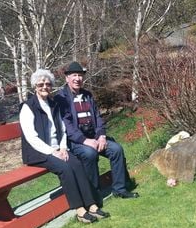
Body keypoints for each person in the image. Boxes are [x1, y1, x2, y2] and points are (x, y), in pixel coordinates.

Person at [19, 68, 110, 224]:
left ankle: (92, 205)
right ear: (35, 86)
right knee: (66, 168)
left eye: (48, 84)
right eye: (41, 84)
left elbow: (62, 129)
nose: (44, 87)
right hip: (39, 152)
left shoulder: (53, 104)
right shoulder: (28, 107)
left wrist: (62, 147)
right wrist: (52, 151)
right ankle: (80, 210)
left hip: (58, 149)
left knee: (77, 164)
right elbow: (31, 138)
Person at [55, 62, 139, 199]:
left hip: (94, 137)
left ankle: (120, 189)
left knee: (116, 149)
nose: (77, 79)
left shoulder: (87, 95)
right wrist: (84, 140)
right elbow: (66, 125)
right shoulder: (61, 98)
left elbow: (98, 118)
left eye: (80, 75)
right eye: (74, 75)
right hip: (75, 141)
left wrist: (101, 136)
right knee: (90, 154)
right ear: (67, 78)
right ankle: (93, 195)